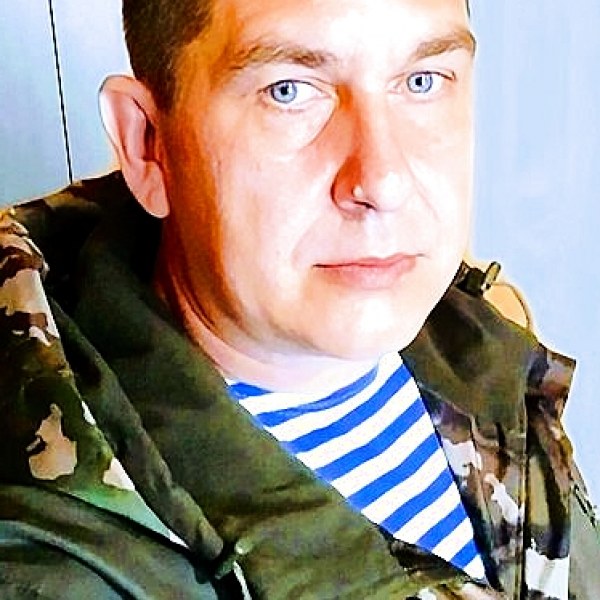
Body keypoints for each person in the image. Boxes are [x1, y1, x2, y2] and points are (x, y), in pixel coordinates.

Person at [0, 0, 598, 598]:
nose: (383, 181)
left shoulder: (482, 341)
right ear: (149, 144)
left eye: (422, 81)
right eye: (288, 91)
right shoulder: (55, 562)